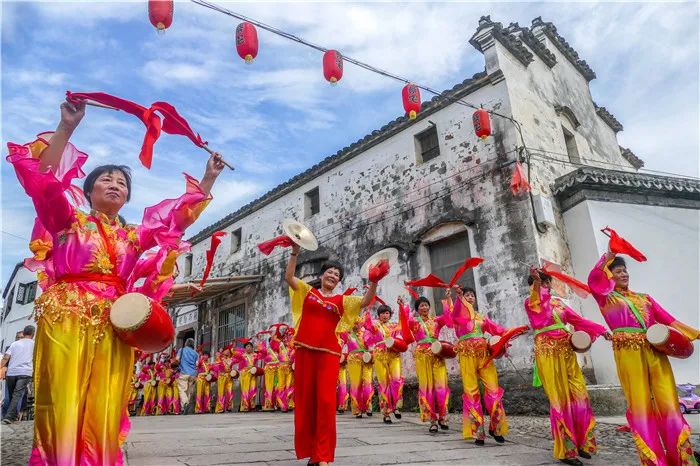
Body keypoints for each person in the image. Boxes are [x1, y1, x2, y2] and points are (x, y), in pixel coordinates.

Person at [6, 98, 224, 464]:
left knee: (106, 396)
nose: (114, 184)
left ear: (126, 197)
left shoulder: (133, 236)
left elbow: (174, 222)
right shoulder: (67, 222)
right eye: (105, 179)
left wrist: (208, 178)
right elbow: (44, 183)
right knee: (63, 394)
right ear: (89, 191)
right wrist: (66, 128)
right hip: (67, 314)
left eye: (121, 182)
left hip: (114, 320)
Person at [588, 253, 699, 465]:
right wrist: (607, 257)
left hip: (654, 350)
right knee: (641, 407)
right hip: (628, 353)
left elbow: (669, 319)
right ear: (609, 276)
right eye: (618, 271)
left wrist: (695, 333)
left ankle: (682, 458)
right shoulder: (606, 297)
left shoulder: (644, 298)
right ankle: (655, 460)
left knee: (668, 401)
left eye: (624, 270)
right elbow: (594, 279)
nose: (624, 274)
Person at [285, 244, 388, 466]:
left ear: (339, 281)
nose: (333, 275)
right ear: (322, 275)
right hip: (304, 352)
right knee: (305, 403)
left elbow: (365, 301)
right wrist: (294, 252)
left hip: (329, 355)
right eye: (330, 272)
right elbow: (289, 277)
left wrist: (374, 281)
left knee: (325, 402)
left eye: (337, 274)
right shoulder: (307, 292)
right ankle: (312, 453)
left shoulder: (342, 300)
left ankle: (323, 455)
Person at [525, 268, 608, 466]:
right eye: (543, 283)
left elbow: (578, 320)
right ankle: (566, 450)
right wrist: (537, 284)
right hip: (547, 352)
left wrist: (602, 330)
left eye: (547, 283)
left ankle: (581, 442)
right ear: (534, 285)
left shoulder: (558, 303)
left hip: (566, 351)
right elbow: (540, 311)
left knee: (579, 395)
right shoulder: (531, 302)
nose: (547, 286)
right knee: (560, 399)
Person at [447, 286, 509, 445]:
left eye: (472, 295)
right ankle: (478, 432)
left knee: (494, 390)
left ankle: (495, 427)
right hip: (467, 355)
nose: (470, 297)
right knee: (471, 391)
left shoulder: (481, 317)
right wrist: (458, 297)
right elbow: (454, 313)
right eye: (467, 295)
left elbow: (497, 329)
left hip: (484, 355)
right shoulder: (458, 316)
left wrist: (511, 333)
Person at [399, 295, 452, 433]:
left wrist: (448, 299)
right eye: (421, 305)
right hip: (422, 355)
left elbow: (448, 317)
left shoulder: (436, 320)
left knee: (441, 386)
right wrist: (402, 305)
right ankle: (432, 420)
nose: (424, 307)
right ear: (417, 309)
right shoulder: (414, 322)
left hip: (437, 353)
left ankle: (443, 417)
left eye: (426, 305)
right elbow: (404, 321)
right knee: (426, 386)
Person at [363, 303, 404, 424]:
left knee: (396, 380)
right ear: (379, 315)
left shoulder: (394, 326)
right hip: (380, 355)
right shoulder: (376, 326)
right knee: (384, 383)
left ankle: (395, 406)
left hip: (393, 355)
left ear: (390, 315)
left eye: (387, 313)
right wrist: (367, 311)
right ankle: (386, 412)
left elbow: (404, 324)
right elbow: (367, 325)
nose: (385, 315)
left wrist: (401, 306)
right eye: (382, 313)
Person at [0, 325, 35, 424]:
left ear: (23, 333)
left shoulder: (15, 344)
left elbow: (6, 358)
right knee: (16, 396)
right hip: (25, 372)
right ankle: (10, 416)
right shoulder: (34, 344)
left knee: (12, 395)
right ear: (33, 334)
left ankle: (9, 417)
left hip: (11, 373)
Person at [343, 319, 374, 418]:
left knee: (368, 383)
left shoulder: (366, 333)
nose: (355, 325)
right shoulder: (346, 334)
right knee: (356, 384)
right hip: (353, 360)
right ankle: (357, 409)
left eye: (357, 323)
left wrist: (372, 356)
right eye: (353, 323)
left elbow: (371, 346)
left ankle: (368, 405)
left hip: (366, 359)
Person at [233, 340, 261, 412]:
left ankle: (252, 405)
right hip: (245, 373)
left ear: (252, 348)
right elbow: (235, 355)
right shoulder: (242, 355)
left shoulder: (255, 355)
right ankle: (245, 406)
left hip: (253, 372)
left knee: (253, 388)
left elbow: (263, 353)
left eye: (250, 346)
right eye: (247, 346)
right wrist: (233, 347)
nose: (248, 348)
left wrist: (259, 342)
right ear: (245, 348)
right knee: (245, 390)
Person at [176, 338, 200, 414]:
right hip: (193, 374)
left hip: (184, 372)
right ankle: (185, 407)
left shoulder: (182, 350)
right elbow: (197, 365)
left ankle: (185, 403)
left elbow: (177, 359)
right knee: (189, 391)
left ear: (186, 343)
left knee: (182, 390)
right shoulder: (196, 353)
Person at [214, 346, 235, 413]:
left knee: (230, 392)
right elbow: (216, 367)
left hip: (229, 377)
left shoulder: (232, 359)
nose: (227, 351)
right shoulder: (220, 358)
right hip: (222, 377)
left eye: (228, 350)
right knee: (221, 392)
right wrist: (219, 355)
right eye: (225, 350)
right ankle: (220, 408)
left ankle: (229, 407)